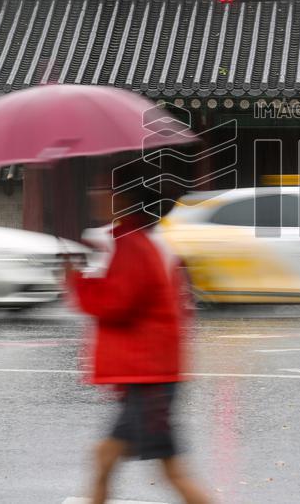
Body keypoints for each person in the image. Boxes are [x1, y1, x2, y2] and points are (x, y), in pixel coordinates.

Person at [67, 175, 210, 504]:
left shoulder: (133, 246)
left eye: (107, 189)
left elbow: (115, 305)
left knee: (169, 471)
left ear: (125, 201)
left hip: (149, 378)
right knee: (106, 458)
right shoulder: (140, 242)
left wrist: (75, 283)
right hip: (147, 375)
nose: (97, 194)